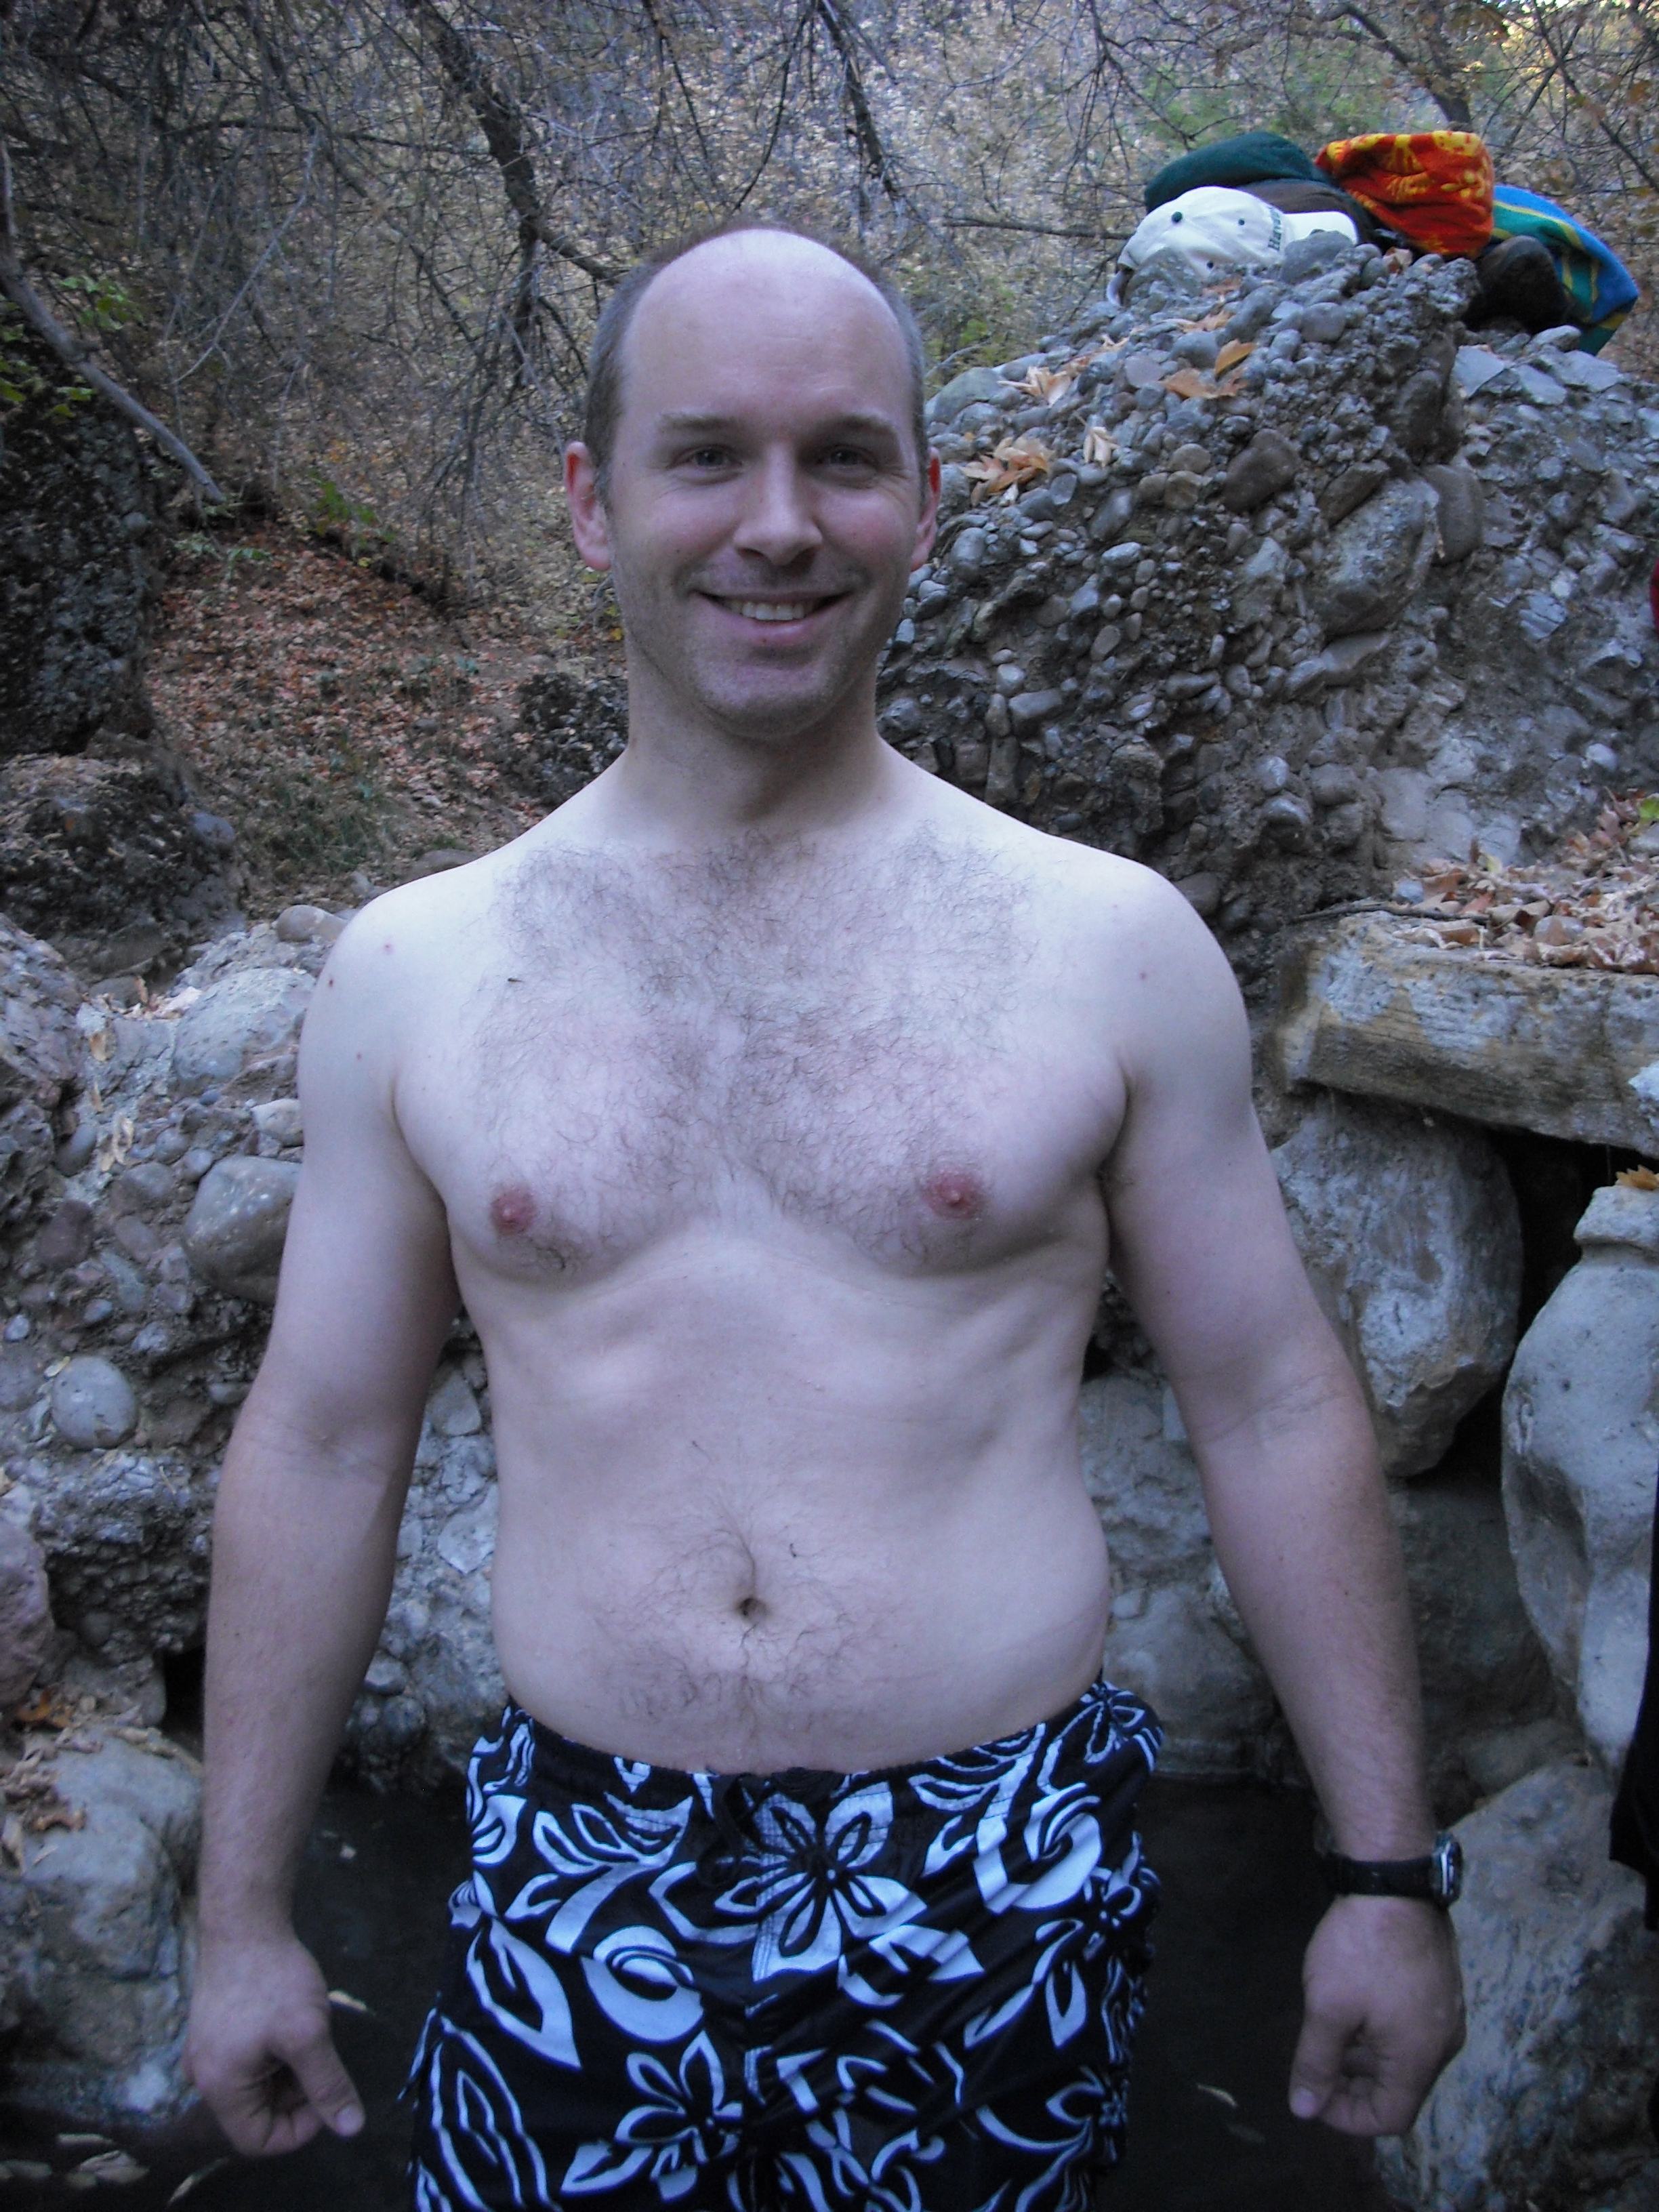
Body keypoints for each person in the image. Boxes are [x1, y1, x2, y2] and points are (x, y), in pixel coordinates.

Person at [184, 221, 1465, 2209]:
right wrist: (239, 1911)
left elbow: (1273, 1402)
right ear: (593, 502)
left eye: (844, 459)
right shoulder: (416, 971)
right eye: (706, 456)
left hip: (997, 1880)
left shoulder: (1106, 945)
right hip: (573, 1878)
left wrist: (1386, 1875)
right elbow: (327, 1442)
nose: (778, 525)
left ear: (927, 503)